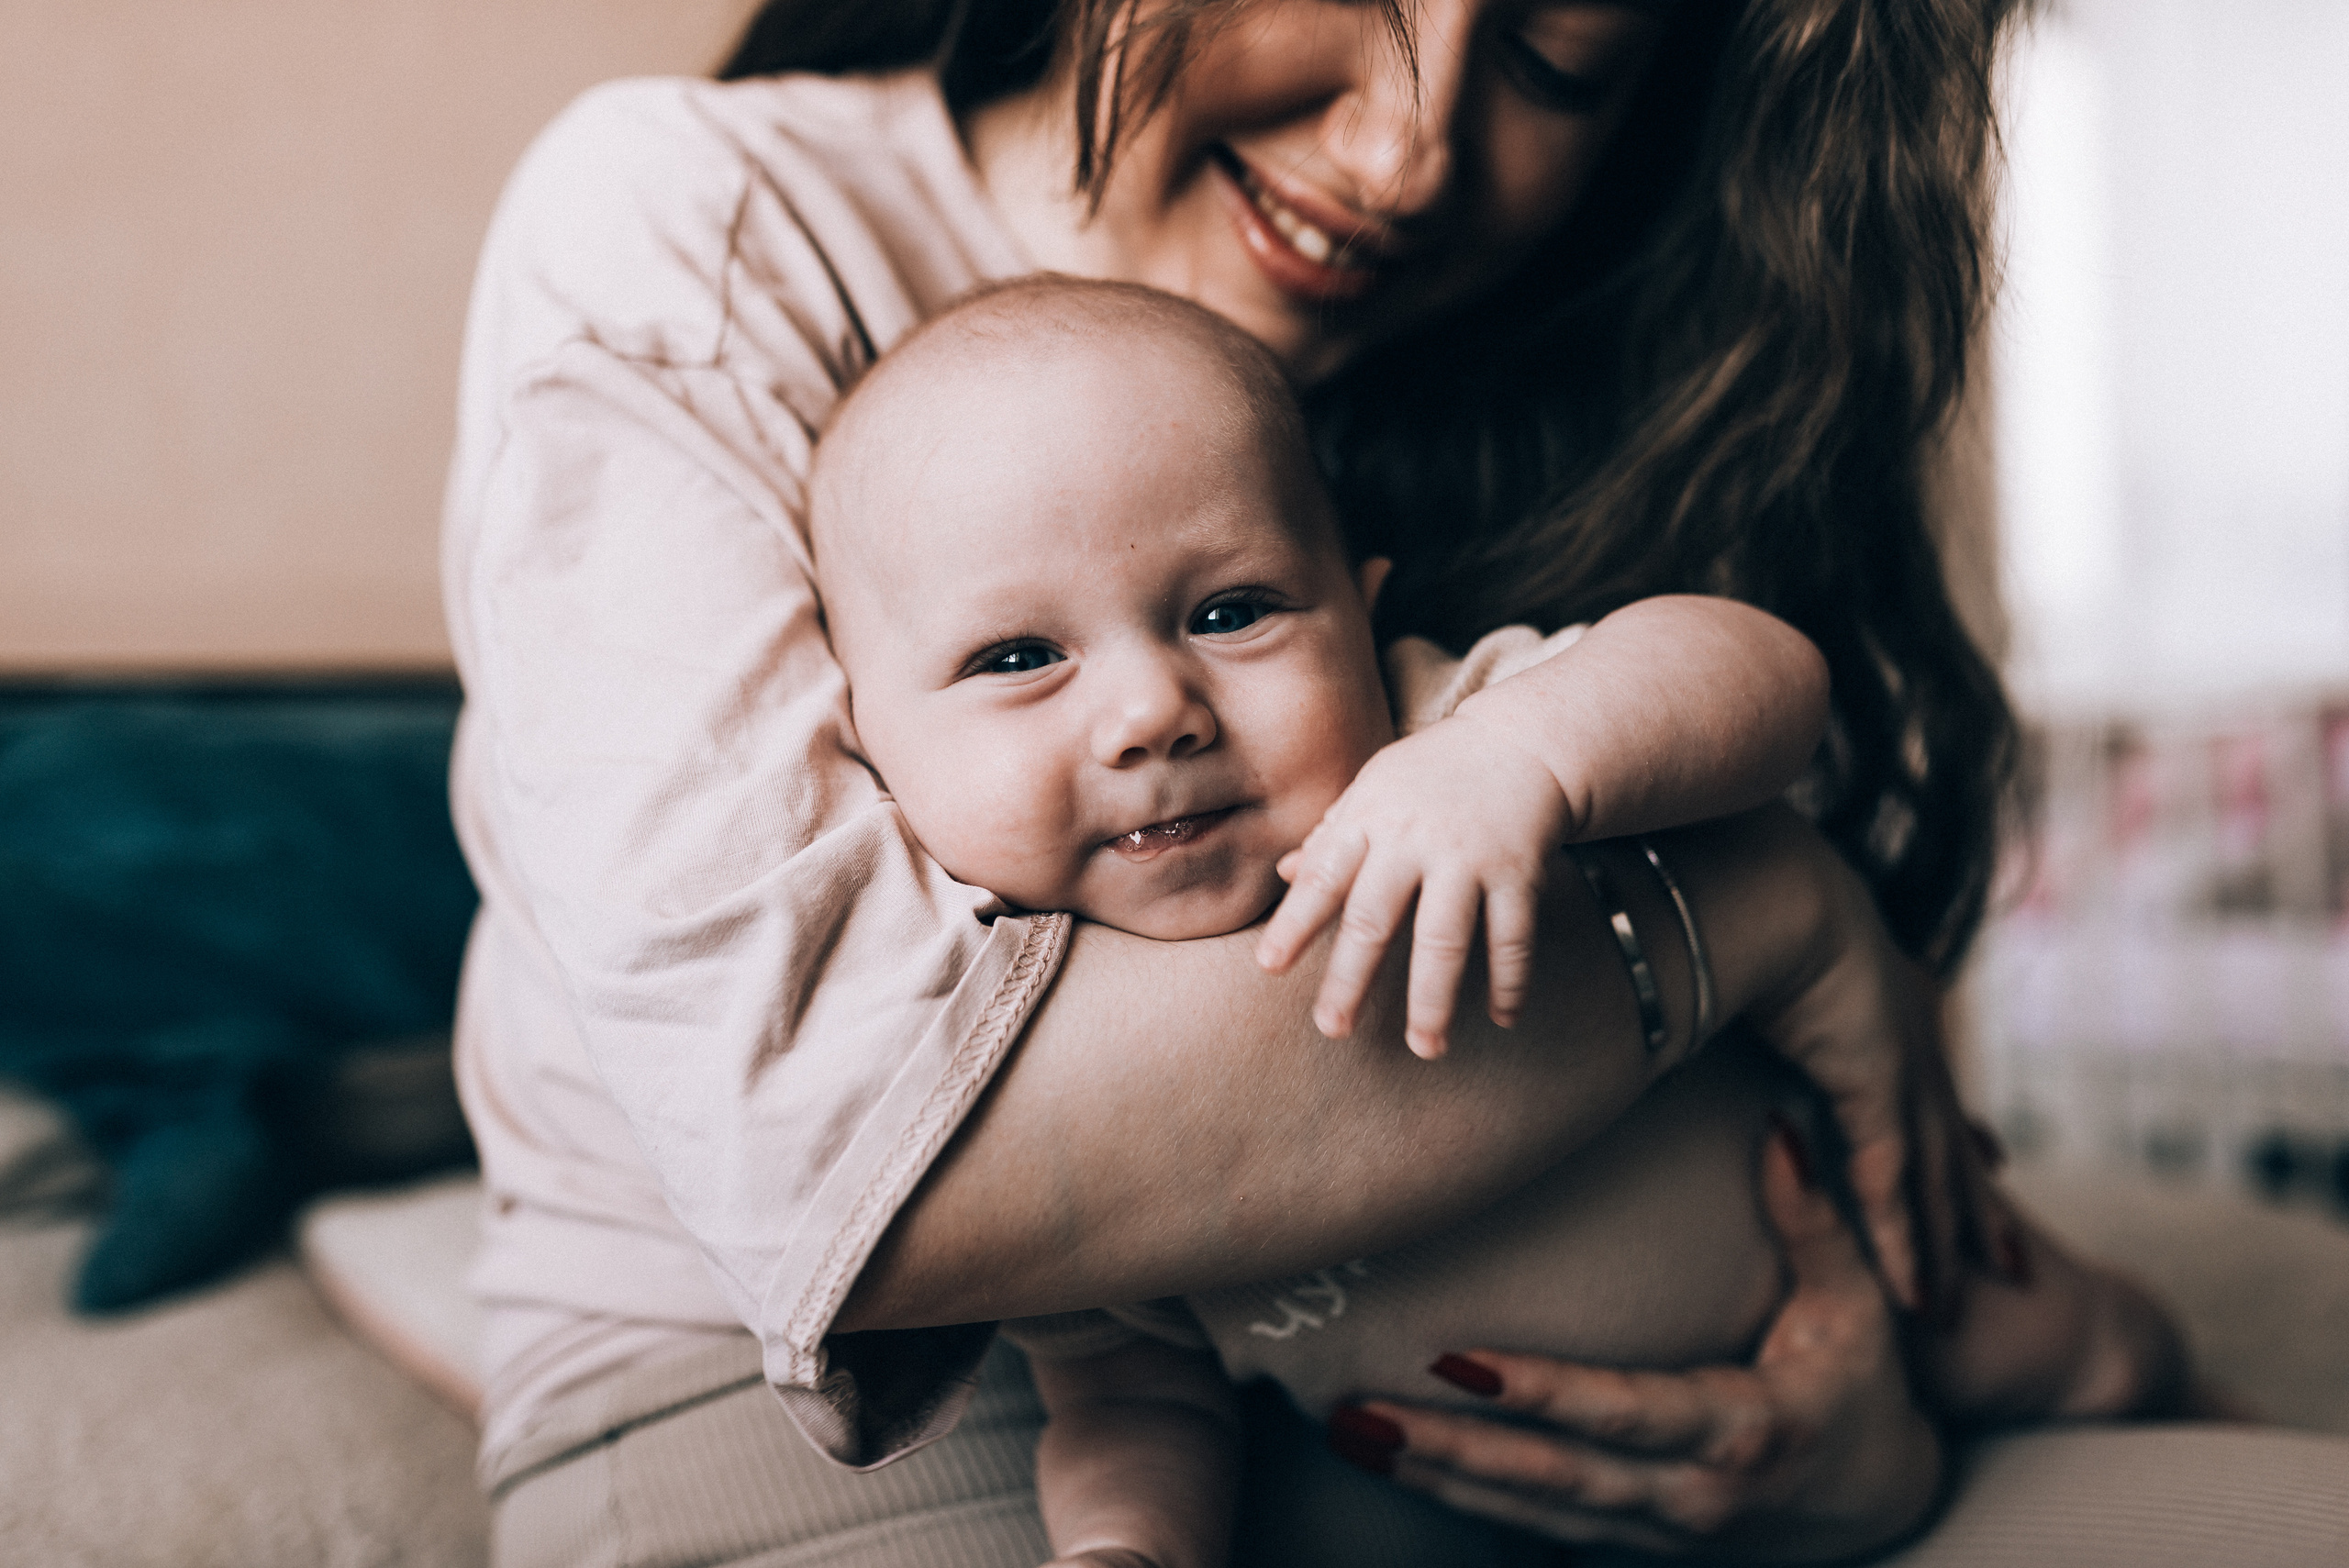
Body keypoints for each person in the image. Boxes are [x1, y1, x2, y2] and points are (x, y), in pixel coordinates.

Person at [442, 2, 2349, 1563]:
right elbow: (878, 1174)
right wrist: (1759, 912)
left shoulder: (1552, 419)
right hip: (858, 1394)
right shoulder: (694, 238)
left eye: (1555, 61)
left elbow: (1723, 715)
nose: (1409, 153)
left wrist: (1848, 1443)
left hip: (1511, 1378)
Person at [805, 272, 2193, 1568]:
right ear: (870, 741)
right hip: (1558, 1490)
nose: (1151, 709)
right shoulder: (1018, 1071)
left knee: (2066, 1338)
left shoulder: (1439, 745)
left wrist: (1525, 760)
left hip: (1854, 1236)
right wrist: (1122, 1546)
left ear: (1363, 610)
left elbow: (1763, 674)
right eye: (1017, 658)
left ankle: (2164, 1359)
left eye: (1232, 611)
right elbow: (1128, 1397)